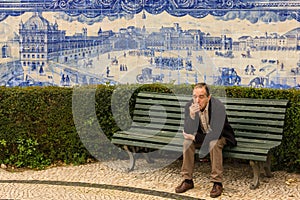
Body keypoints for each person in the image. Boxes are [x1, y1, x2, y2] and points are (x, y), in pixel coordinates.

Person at [175, 82, 237, 198]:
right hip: (202, 136)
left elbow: (215, 134)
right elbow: (187, 131)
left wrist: (194, 137)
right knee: (187, 143)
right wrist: (192, 116)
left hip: (220, 136)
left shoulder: (218, 107)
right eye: (195, 96)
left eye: (201, 97)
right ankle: (187, 180)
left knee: (213, 143)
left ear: (209, 97)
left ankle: (217, 182)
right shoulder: (190, 106)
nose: (197, 100)